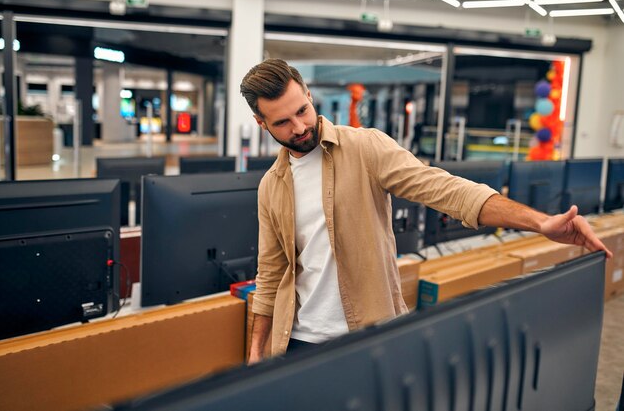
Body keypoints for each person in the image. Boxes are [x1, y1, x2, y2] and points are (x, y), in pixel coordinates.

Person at [240, 58, 611, 363]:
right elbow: (271, 275)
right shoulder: (271, 187)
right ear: (261, 123)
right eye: (282, 122)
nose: (300, 126)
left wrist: (541, 222)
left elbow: (446, 191)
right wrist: (256, 355)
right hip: (299, 345)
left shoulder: (365, 148)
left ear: (308, 94)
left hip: (370, 339)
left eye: (302, 110)